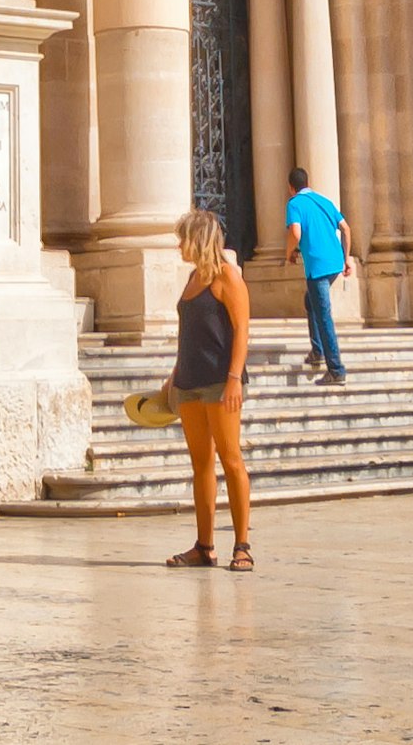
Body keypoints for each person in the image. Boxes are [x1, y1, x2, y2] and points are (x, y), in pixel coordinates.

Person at [162, 207, 253, 570]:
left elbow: (242, 330)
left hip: (219, 381)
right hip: (189, 382)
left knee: (231, 460)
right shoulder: (193, 278)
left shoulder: (227, 278)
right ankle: (204, 546)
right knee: (200, 464)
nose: (179, 245)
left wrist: (234, 379)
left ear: (198, 238)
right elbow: (190, 334)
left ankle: (242, 546)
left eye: (183, 237)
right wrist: (173, 376)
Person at [278, 165, 352, 383]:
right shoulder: (324, 201)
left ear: (291, 187)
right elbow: (346, 228)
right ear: (307, 183)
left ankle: (336, 369)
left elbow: (295, 232)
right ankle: (317, 351)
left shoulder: (295, 204)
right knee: (310, 302)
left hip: (317, 267)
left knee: (323, 314)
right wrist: (346, 258)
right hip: (335, 263)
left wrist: (288, 252)